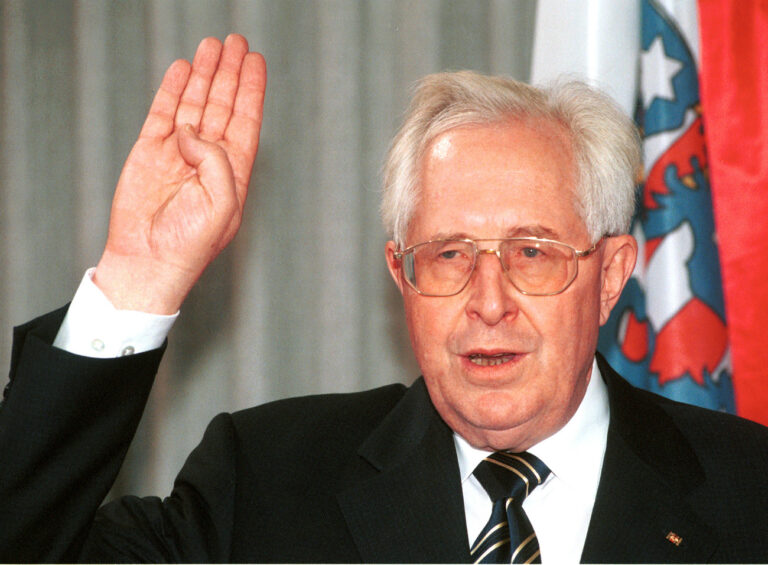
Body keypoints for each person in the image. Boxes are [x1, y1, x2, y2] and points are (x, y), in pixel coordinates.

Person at [1, 33, 767, 564]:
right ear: (399, 274)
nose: (488, 301)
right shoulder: (264, 482)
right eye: (449, 256)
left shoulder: (749, 492)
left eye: (532, 252)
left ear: (610, 275)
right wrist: (138, 278)